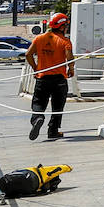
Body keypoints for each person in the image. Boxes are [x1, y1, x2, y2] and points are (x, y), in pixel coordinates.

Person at [25, 12, 75, 140]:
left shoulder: (39, 38)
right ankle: (53, 131)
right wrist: (71, 69)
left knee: (38, 102)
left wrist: (35, 68)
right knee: (58, 106)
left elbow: (28, 54)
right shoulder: (65, 41)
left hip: (43, 77)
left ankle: (38, 118)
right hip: (59, 78)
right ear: (62, 26)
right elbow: (69, 57)